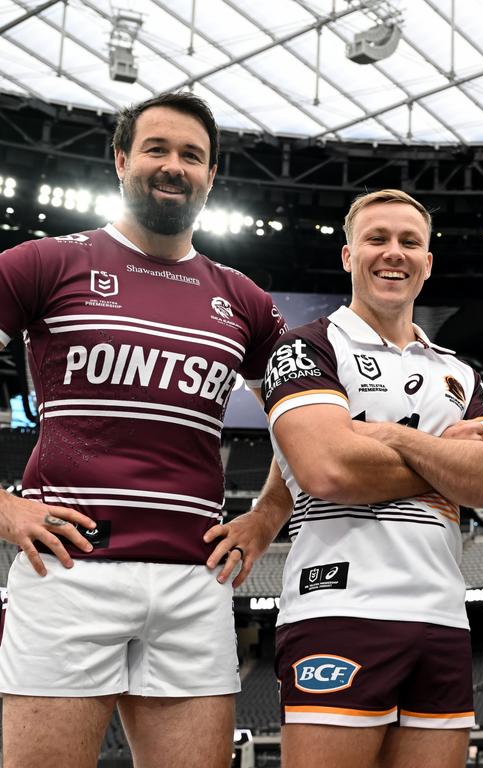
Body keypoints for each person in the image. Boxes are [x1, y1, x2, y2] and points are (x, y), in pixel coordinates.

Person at [0, 91, 290, 768]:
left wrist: (267, 515)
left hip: (195, 580)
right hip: (70, 569)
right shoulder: (44, 264)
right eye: (157, 149)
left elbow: (310, 418)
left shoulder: (243, 299)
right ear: (122, 159)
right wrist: (4, 508)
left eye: (192, 155)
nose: (173, 166)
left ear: (211, 176)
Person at [262, 189, 483, 768]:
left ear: (428, 262)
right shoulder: (306, 347)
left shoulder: (457, 372)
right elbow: (328, 468)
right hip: (338, 608)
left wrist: (392, 437)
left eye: (410, 243)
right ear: (349, 255)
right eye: (377, 239)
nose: (392, 253)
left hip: (443, 618)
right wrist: (445, 466)